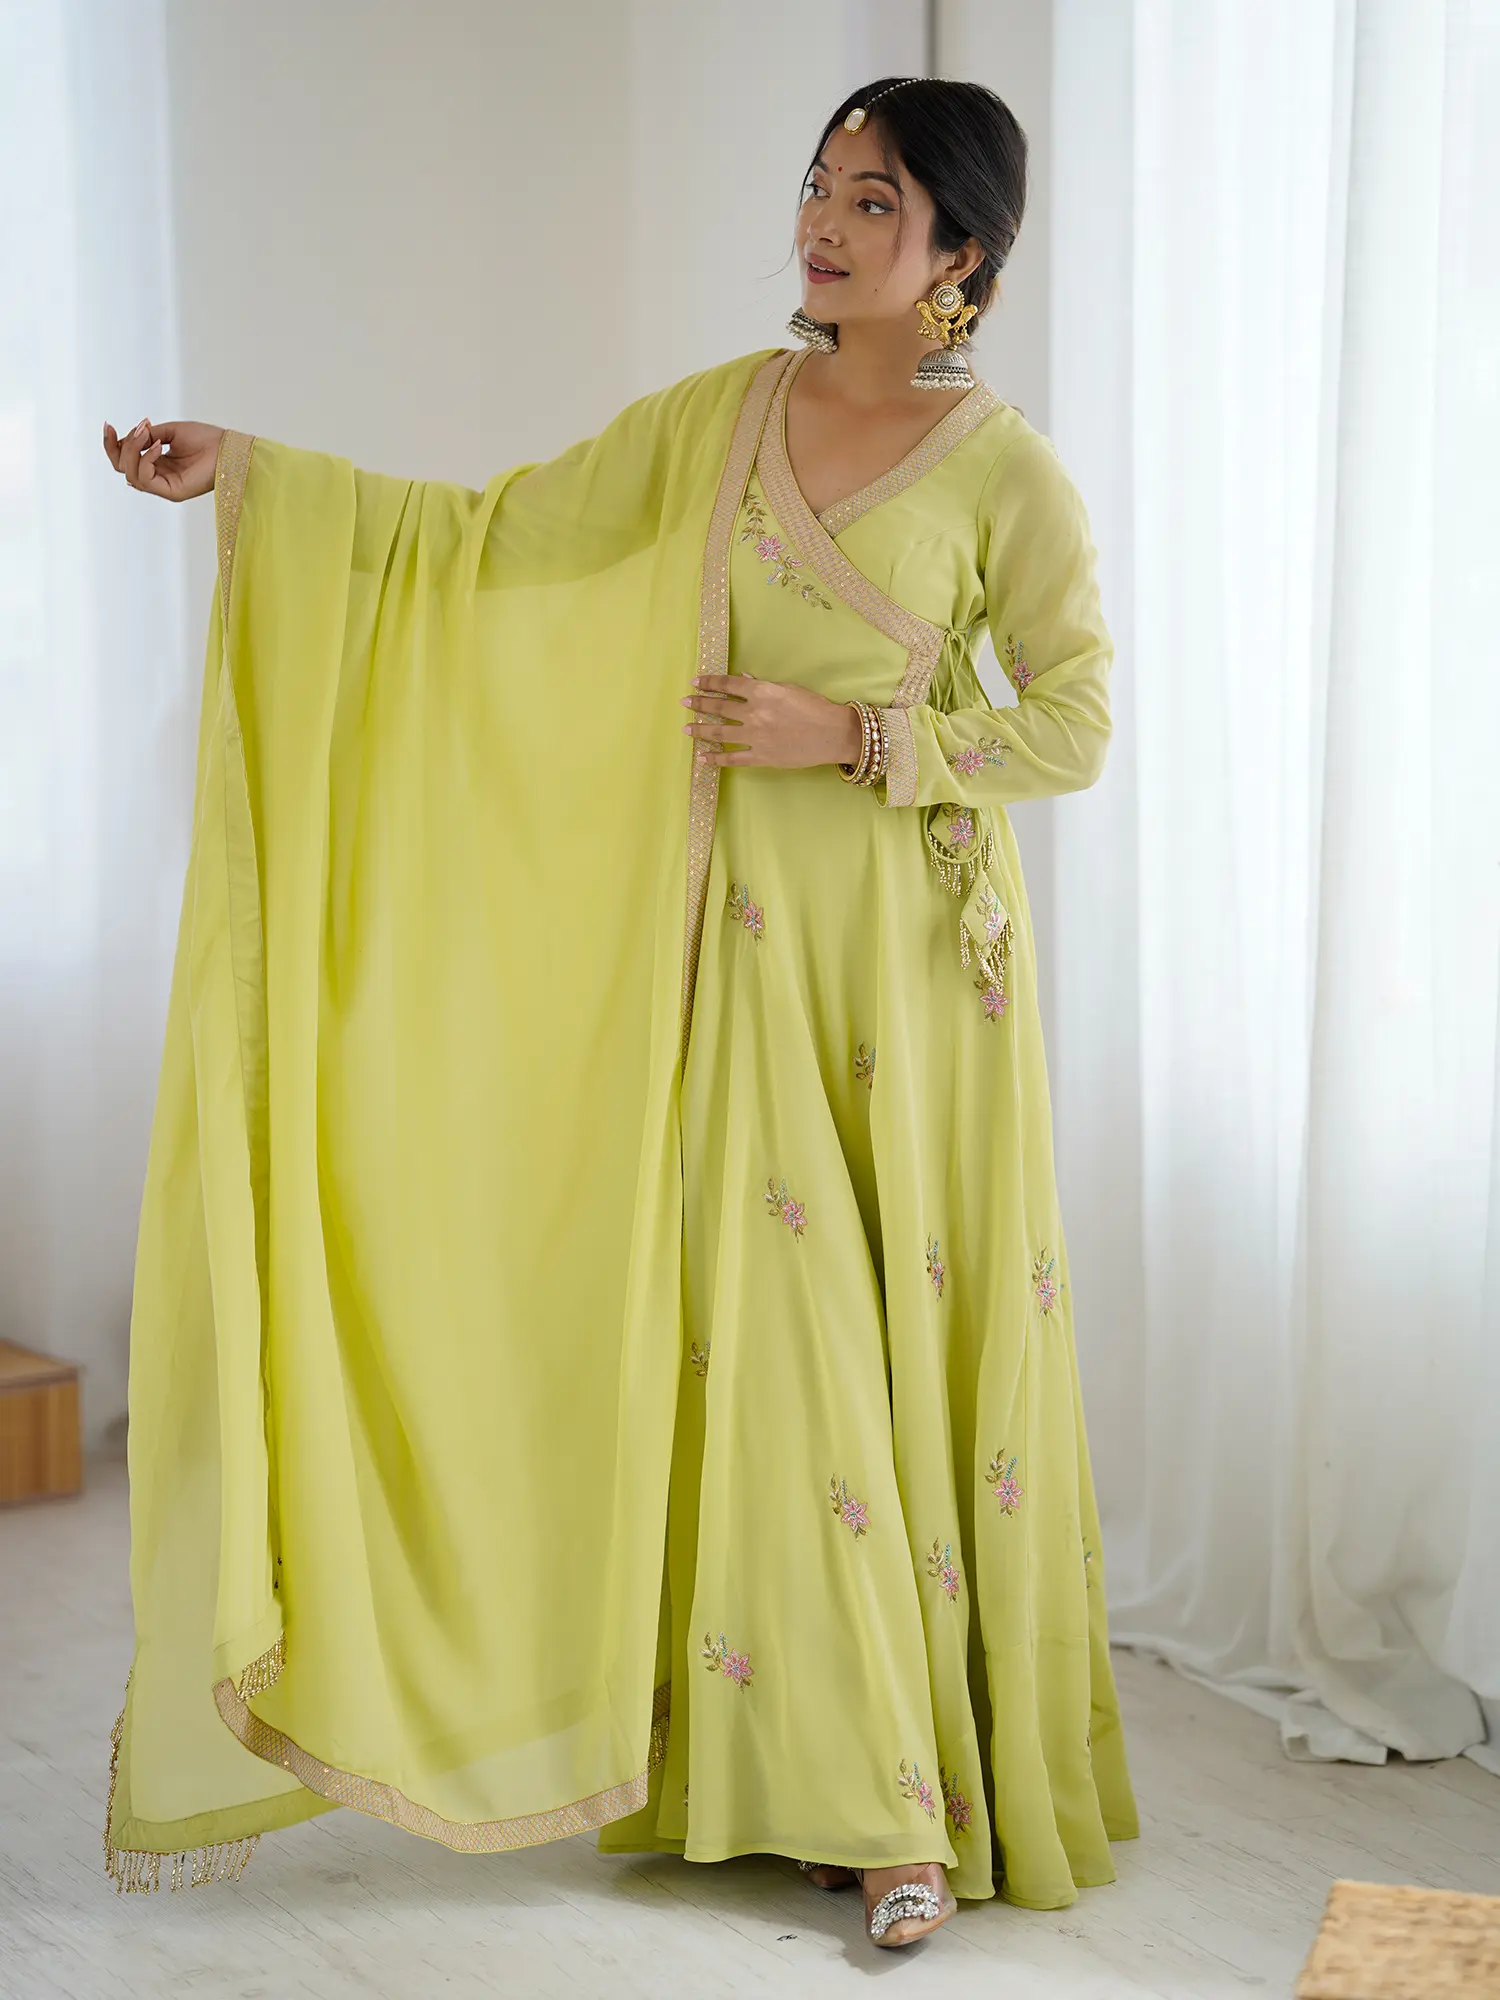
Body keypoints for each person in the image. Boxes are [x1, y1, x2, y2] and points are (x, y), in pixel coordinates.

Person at [101, 75, 1137, 1950]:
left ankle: (909, 1806)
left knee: (874, 1347)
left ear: (962, 253)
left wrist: (858, 737)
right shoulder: (721, 418)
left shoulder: (1006, 472)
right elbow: (494, 538)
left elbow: (1071, 723)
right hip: (723, 943)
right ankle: (809, 1777)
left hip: (907, 974)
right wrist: (250, 472)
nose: (824, 224)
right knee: (771, 1346)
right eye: (818, 186)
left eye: (876, 201)